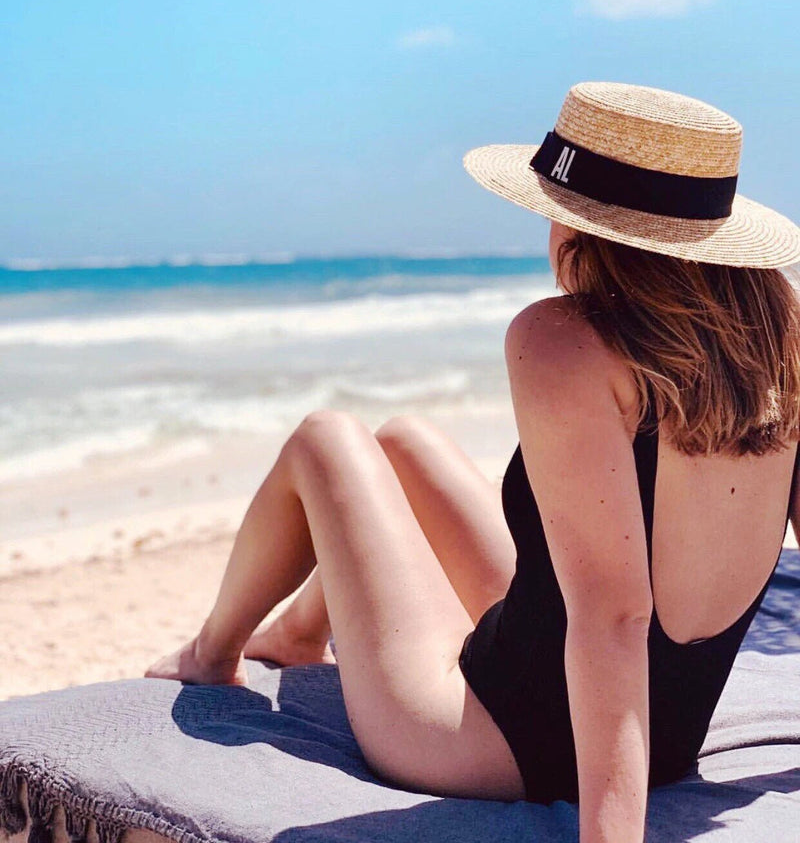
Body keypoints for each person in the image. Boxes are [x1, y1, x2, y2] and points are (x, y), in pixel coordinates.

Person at [146, 82, 800, 843]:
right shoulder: (781, 343)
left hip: (490, 747)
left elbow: (615, 615)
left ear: (578, 224)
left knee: (326, 438)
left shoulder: (563, 340)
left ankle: (213, 650)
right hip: (665, 736)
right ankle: (295, 633)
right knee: (404, 440)